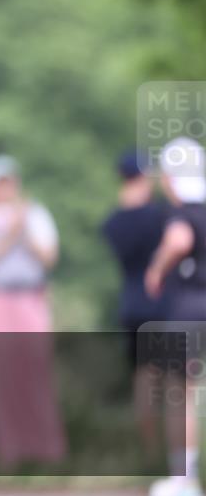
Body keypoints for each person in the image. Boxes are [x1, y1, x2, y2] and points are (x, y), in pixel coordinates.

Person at [0, 154, 66, 468]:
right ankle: (9, 452)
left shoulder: (36, 215)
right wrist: (8, 236)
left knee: (36, 374)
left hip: (30, 299)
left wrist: (24, 230)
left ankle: (47, 451)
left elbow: (48, 258)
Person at [145, 137, 206, 496]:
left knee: (180, 392)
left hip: (189, 309)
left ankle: (184, 478)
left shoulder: (182, 214)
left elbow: (179, 241)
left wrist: (156, 269)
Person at [102, 150, 169, 457]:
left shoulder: (113, 222)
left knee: (143, 377)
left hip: (132, 305)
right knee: (173, 380)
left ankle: (150, 451)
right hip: (163, 302)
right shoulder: (161, 216)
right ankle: (177, 453)